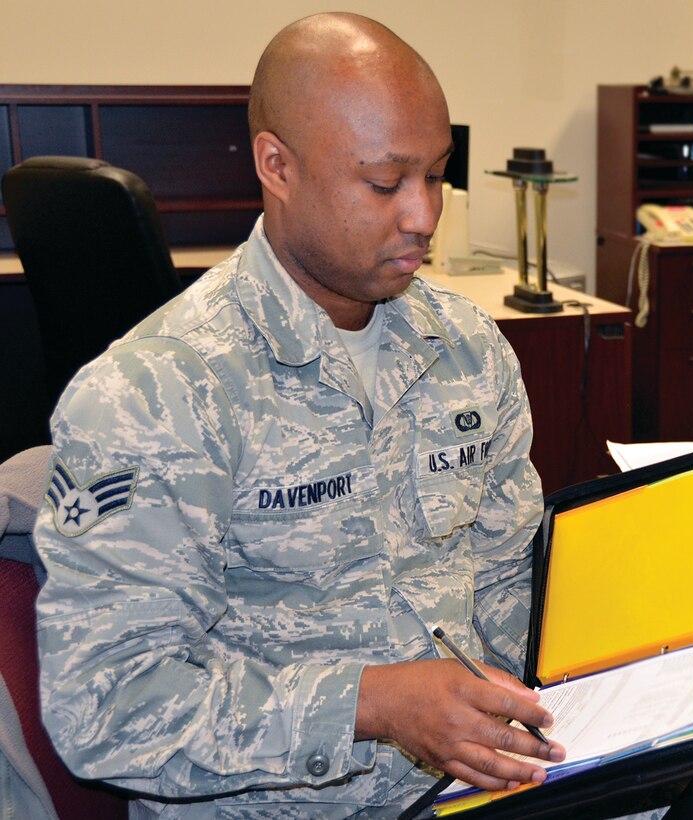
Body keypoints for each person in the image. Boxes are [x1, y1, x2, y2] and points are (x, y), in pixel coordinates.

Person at [34, 12, 565, 818]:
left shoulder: (468, 350)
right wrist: (372, 704)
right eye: (386, 183)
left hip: (468, 794)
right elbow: (105, 710)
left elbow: (508, 585)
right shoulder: (153, 394)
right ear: (276, 166)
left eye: (438, 174)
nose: (423, 215)